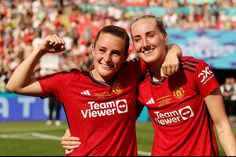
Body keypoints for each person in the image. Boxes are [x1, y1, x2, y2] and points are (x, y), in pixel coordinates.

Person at [61, 15, 236, 156]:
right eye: (137, 39)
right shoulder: (139, 82)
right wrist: (76, 132)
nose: (145, 44)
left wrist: (173, 51)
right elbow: (115, 120)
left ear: (164, 37)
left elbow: (222, 125)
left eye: (150, 35)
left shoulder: (195, 70)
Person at [6, 25, 181, 156]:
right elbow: (14, 85)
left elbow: (165, 49)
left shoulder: (131, 72)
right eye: (102, 50)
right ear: (92, 50)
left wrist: (172, 53)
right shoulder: (69, 81)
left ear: (125, 57)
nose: (106, 59)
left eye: (115, 53)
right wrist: (40, 50)